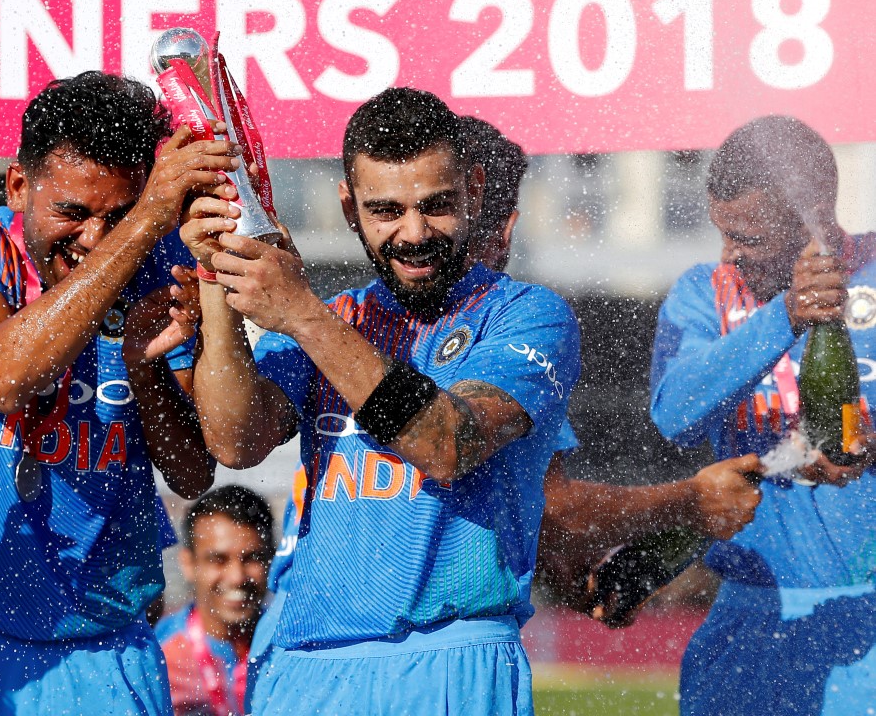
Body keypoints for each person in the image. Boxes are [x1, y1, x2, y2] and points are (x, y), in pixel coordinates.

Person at [181, 87, 581, 715]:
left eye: (437, 206)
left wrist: (304, 317)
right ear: (349, 207)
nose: (414, 233)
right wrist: (215, 276)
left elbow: (449, 443)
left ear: (475, 189)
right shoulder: (341, 316)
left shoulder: (527, 315)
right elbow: (235, 442)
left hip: (452, 661)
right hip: (304, 668)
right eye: (386, 210)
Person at [0, 71, 231, 716]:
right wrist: (149, 215)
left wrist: (145, 368)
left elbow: (192, 471)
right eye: (72, 211)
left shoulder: (155, 263)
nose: (94, 238)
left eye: (117, 213)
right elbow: (5, 376)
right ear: (18, 185)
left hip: (110, 649)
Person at [461, 116, 765, 620]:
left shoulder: (357, 317)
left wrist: (585, 568)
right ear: (508, 228)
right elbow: (557, 513)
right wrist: (691, 501)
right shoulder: (524, 324)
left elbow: (546, 527)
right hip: (429, 647)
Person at [650, 116, 876, 715]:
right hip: (751, 615)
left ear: (811, 215)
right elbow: (674, 416)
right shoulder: (705, 292)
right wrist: (786, 316)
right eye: (722, 231)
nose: (729, 252)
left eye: (746, 234)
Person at [155, 485, 274, 716]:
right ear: (188, 564)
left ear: (272, 558)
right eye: (218, 559)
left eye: (253, 558)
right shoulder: (161, 654)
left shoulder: (287, 644)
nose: (237, 577)